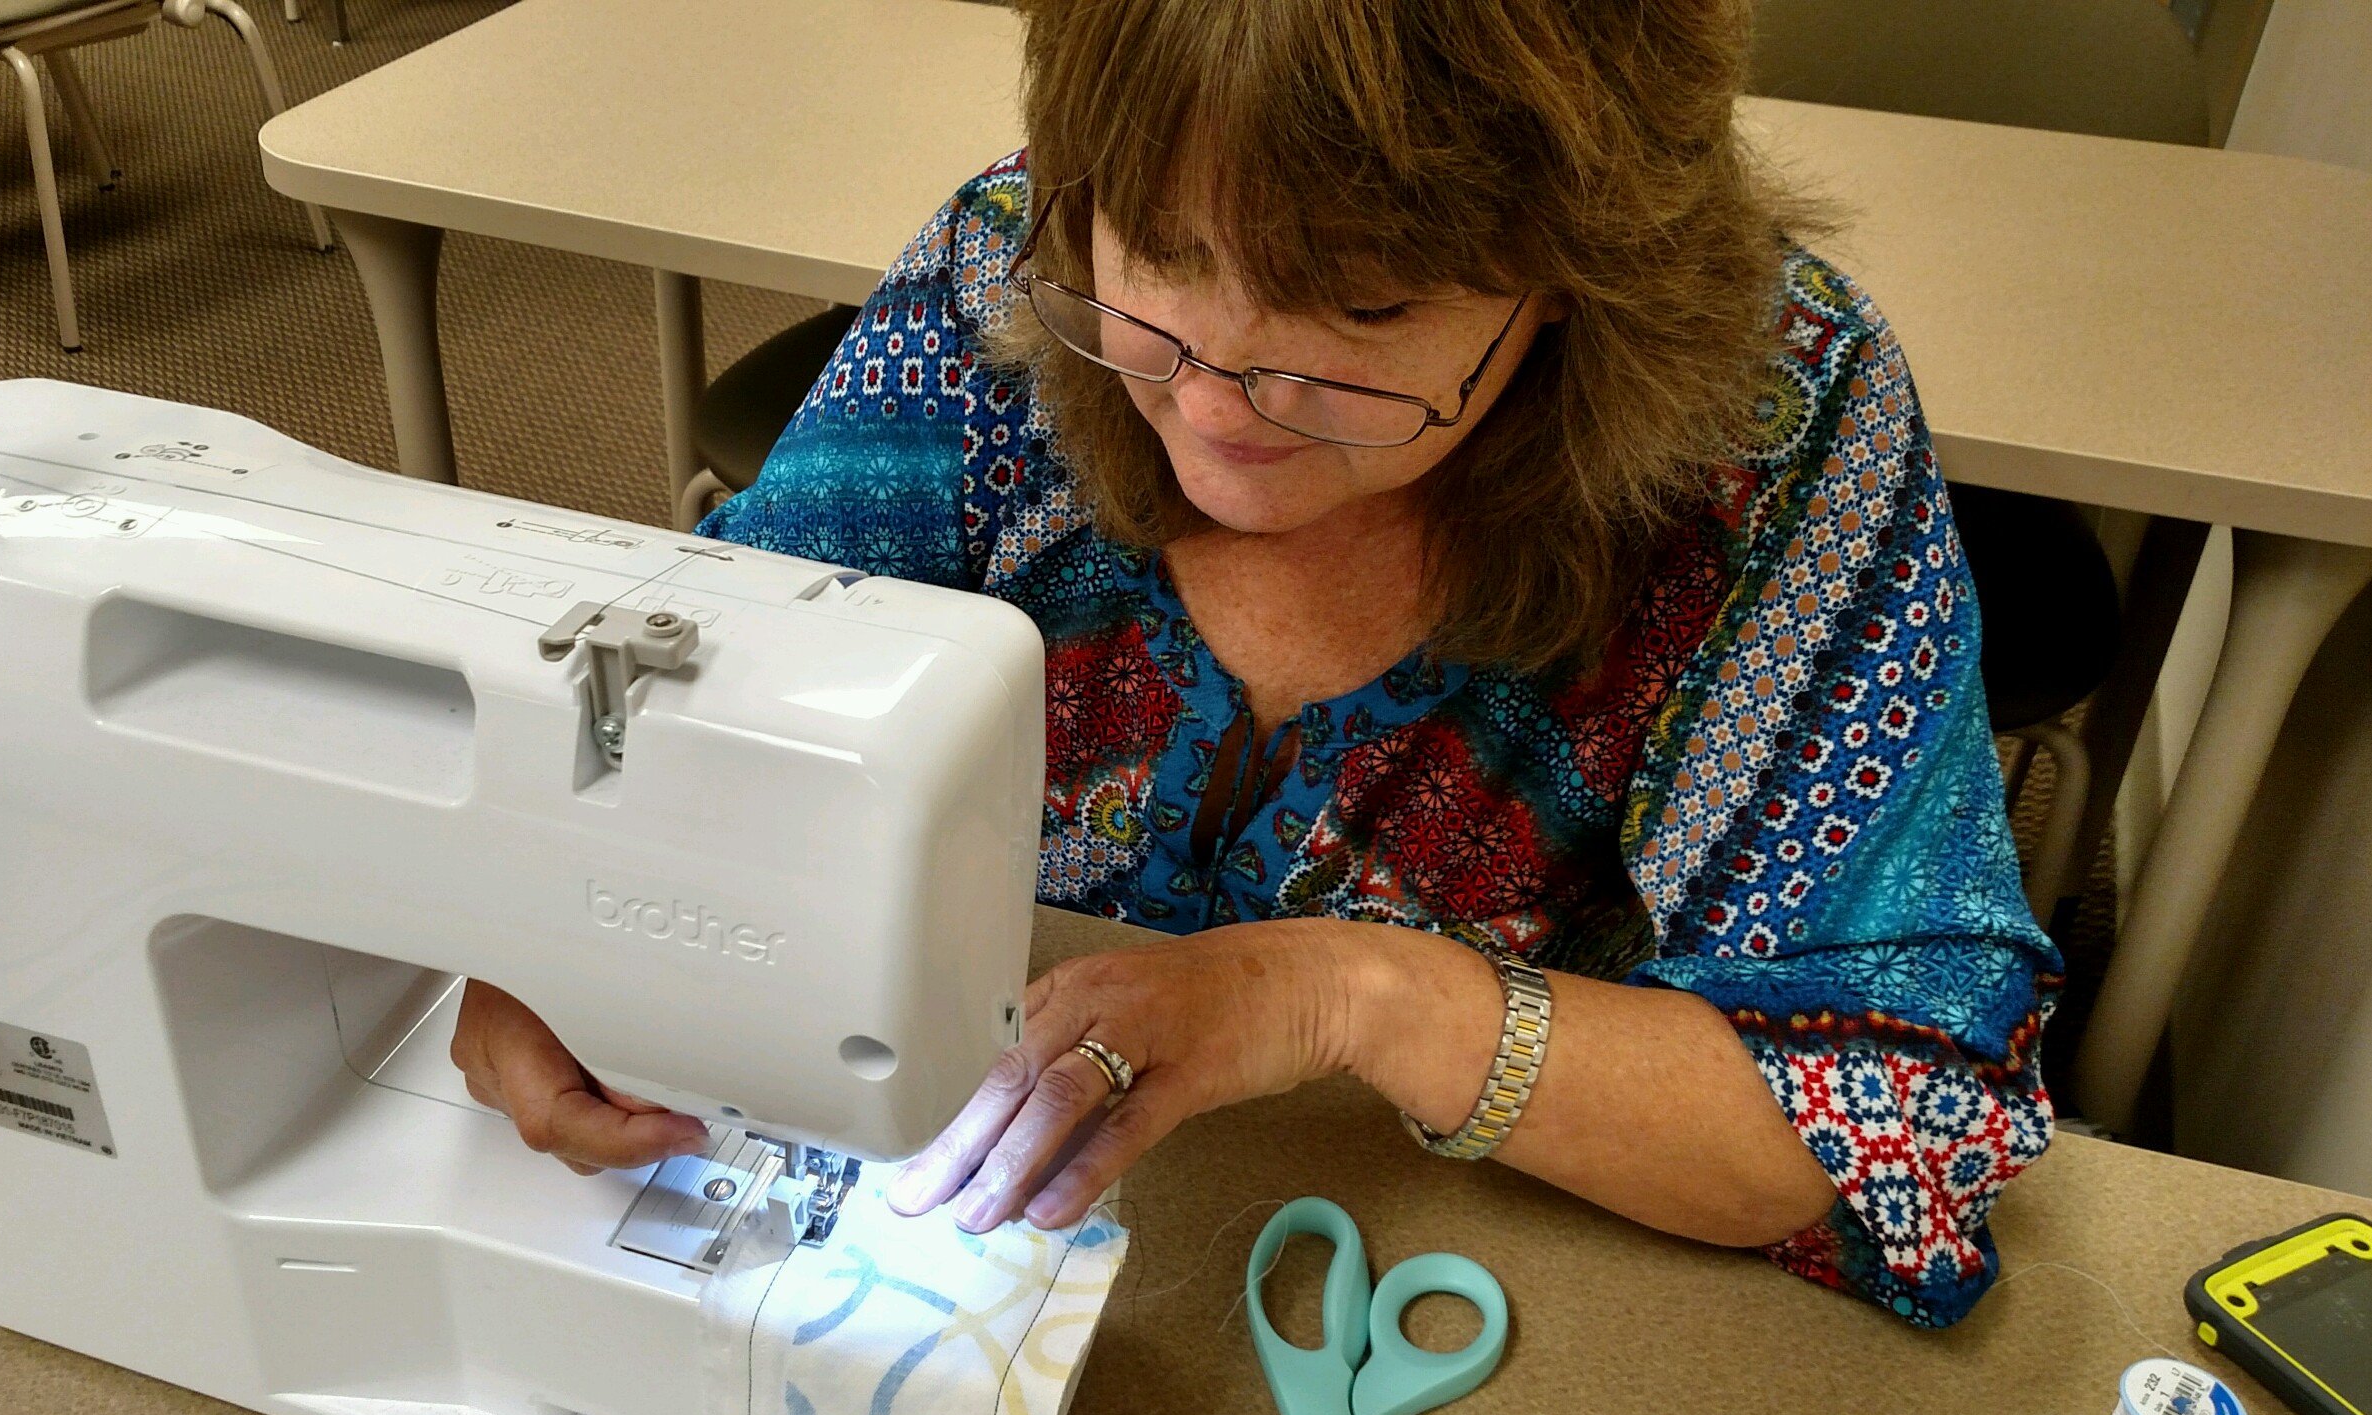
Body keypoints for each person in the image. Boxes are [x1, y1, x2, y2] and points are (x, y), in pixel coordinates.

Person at [453, 0, 2060, 1327]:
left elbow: (1874, 1107)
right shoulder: (1007, 264)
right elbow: (715, 687)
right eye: (1153, 248)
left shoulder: (1771, 431)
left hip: (1459, 1275)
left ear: (1577, 267)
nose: (1215, 397)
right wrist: (556, 917)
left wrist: (1348, 990)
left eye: (1357, 305)